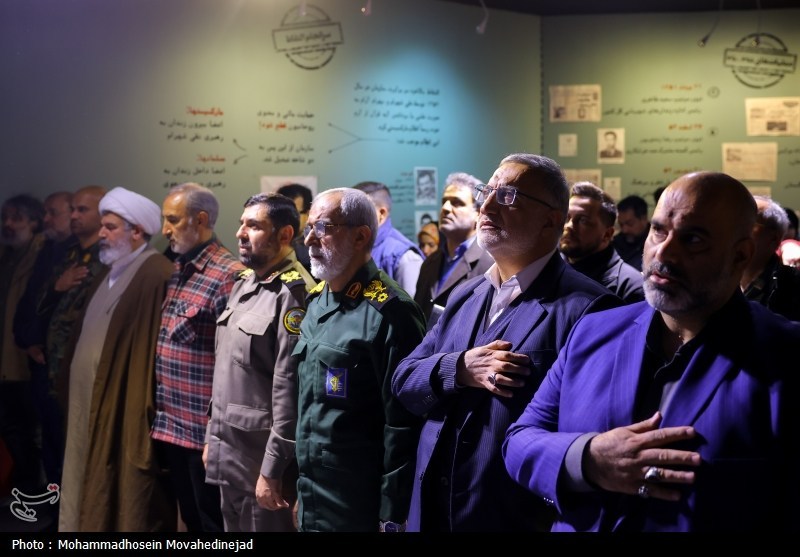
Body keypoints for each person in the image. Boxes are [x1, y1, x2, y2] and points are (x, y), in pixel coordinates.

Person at [503, 171, 800, 532]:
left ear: (740, 255)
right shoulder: (593, 331)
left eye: (693, 239)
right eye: (658, 231)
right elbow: (519, 441)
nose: (665, 252)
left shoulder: (785, 355)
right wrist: (588, 459)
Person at [391, 154, 621, 532]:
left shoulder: (591, 309)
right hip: (430, 513)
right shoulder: (465, 296)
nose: (488, 206)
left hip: (513, 517)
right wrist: (459, 368)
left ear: (551, 219)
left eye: (508, 196)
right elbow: (404, 381)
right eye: (487, 192)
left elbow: (588, 437)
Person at [293, 187, 426, 532]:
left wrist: (391, 512)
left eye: (322, 228)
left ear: (360, 236)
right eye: (308, 228)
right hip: (313, 491)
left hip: (358, 499)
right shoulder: (317, 300)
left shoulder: (391, 312)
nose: (309, 240)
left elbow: (404, 423)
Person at [59, 187, 175, 532]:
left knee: (122, 496)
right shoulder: (106, 273)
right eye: (102, 226)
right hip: (88, 402)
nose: (101, 234)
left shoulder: (155, 273)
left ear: (136, 231)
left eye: (110, 227)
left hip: (122, 405)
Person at [204, 193, 316, 532]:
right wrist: (211, 439)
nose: (240, 233)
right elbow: (225, 372)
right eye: (242, 223)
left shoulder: (294, 294)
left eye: (254, 226)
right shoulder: (245, 283)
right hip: (229, 456)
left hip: (260, 468)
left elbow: (289, 390)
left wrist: (272, 470)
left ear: (285, 235)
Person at [150, 182, 244, 533]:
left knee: (212, 524)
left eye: (173, 220)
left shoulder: (228, 276)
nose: (165, 229)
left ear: (201, 219)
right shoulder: (179, 267)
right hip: (172, 425)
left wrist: (217, 434)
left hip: (203, 433)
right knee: (190, 520)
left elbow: (234, 366)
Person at [12, 191, 74, 489]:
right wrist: (28, 339)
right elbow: (30, 303)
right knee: (48, 440)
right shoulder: (48, 250)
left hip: (59, 365)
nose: (45, 219)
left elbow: (66, 313)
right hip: (38, 359)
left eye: (53, 213)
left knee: (61, 441)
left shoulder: (82, 256)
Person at [37, 186, 107, 411]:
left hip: (85, 365)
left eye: (82, 210)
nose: (74, 216)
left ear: (103, 214)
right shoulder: (70, 253)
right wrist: (57, 288)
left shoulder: (109, 257)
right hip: (54, 363)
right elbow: (40, 303)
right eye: (73, 209)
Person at [0, 194, 45, 494]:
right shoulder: (8, 255)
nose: (8, 224)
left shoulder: (41, 255)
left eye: (16, 218)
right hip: (7, 360)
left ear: (34, 222)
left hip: (22, 360)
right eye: (5, 217)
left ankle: (32, 492)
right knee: (12, 427)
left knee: (26, 429)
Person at [413, 171, 494, 327]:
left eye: (457, 203)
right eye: (444, 201)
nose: (445, 208)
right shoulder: (430, 262)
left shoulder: (491, 264)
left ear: (478, 213)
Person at [560, 182, 644, 304]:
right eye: (566, 218)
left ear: (607, 235)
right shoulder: (548, 269)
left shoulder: (631, 288)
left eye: (583, 220)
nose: (569, 226)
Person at [352, 181, 424, 298]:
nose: (350, 218)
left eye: (358, 212)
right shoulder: (357, 246)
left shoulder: (405, 257)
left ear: (381, 214)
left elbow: (410, 307)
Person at [740, 195, 800, 321]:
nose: (735, 229)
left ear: (773, 238)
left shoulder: (792, 285)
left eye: (748, 222)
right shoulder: (717, 278)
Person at [276, 183, 313, 273]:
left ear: (308, 213)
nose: (286, 219)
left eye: (293, 214)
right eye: (281, 214)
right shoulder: (270, 243)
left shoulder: (316, 245)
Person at [613, 194, 650, 271]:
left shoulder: (656, 243)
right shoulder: (615, 244)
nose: (624, 230)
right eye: (621, 225)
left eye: (630, 224)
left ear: (644, 219)